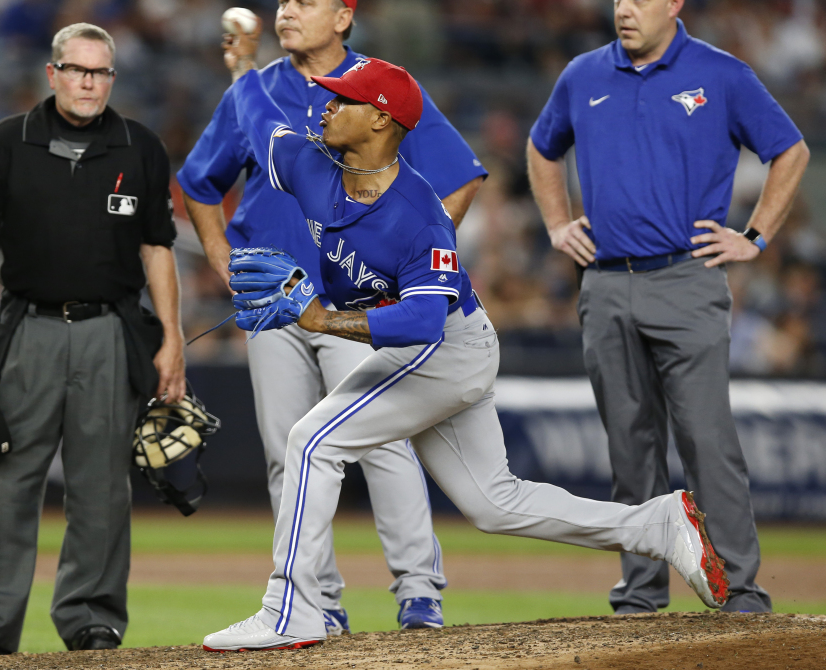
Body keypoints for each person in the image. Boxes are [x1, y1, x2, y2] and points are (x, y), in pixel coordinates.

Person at [200, 39, 728, 653]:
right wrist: (242, 68)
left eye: (341, 99)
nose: (323, 104)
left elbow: (424, 323)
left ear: (380, 118)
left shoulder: (419, 216)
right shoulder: (308, 164)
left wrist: (321, 319)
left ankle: (292, 609)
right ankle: (660, 525)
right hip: (426, 351)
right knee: (494, 504)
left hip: (448, 349)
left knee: (313, 440)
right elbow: (260, 116)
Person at [177, 0, 486, 633]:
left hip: (352, 304)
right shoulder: (253, 91)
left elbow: (460, 176)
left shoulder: (380, 88)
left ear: (343, 16)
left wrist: (407, 265)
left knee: (381, 444)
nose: (287, 10)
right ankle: (314, 601)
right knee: (290, 454)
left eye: (305, 0)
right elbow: (199, 181)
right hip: (275, 304)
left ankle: (419, 593)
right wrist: (226, 260)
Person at [526, 0, 810, 614]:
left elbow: (790, 150)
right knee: (630, 451)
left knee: (709, 444)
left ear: (674, 4)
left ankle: (740, 592)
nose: (622, 10)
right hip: (604, 283)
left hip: (687, 281)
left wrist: (755, 236)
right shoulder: (583, 75)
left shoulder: (722, 74)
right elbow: (542, 149)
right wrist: (556, 223)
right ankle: (642, 594)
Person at [0, 22, 185, 657]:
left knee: (101, 484)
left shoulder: (140, 147)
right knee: (2, 477)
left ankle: (91, 618)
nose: (88, 83)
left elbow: (159, 249)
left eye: (100, 72)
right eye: (77, 70)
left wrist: (173, 338)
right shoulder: (6, 141)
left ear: (112, 79)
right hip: (28, 329)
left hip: (110, 330)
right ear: (52, 74)